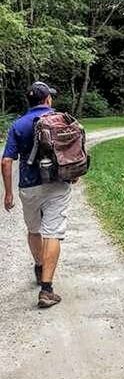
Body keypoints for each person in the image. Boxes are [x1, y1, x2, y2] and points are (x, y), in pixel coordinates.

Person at [2, 82, 72, 308]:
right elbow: (74, 147)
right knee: (53, 232)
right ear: (47, 100)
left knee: (34, 230)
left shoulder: (18, 125)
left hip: (29, 186)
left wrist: (8, 193)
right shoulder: (62, 119)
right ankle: (47, 289)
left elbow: (6, 161)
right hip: (57, 184)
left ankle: (40, 265)